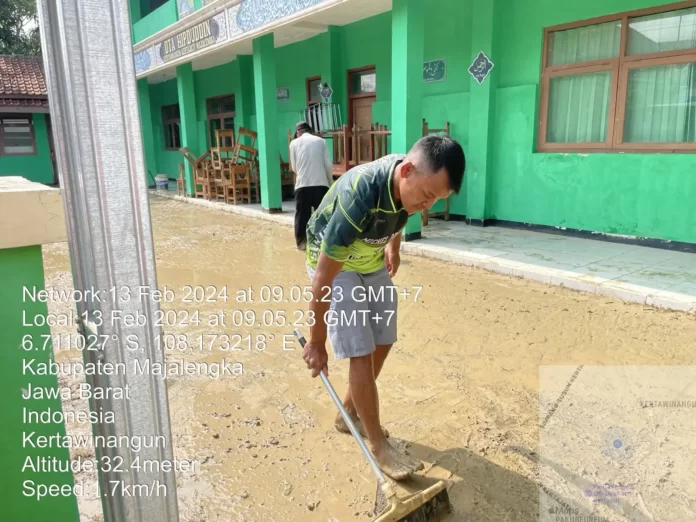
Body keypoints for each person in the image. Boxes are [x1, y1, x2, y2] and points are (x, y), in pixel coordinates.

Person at [301, 135, 465, 480]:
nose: (427, 207)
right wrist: (316, 341)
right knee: (360, 349)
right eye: (427, 196)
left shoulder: (408, 182)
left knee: (384, 336)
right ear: (406, 171)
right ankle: (377, 444)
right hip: (335, 262)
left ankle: (349, 411)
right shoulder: (358, 197)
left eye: (436, 199)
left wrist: (394, 246)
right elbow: (322, 279)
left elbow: (401, 209)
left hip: (370, 257)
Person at [289, 121, 334, 250]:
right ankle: (324, 244)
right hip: (321, 185)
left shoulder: (294, 143)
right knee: (323, 216)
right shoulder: (321, 141)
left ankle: (301, 244)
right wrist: (330, 184)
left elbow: (294, 167)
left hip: (302, 185)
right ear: (310, 130)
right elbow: (328, 165)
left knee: (302, 216)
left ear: (298, 132)